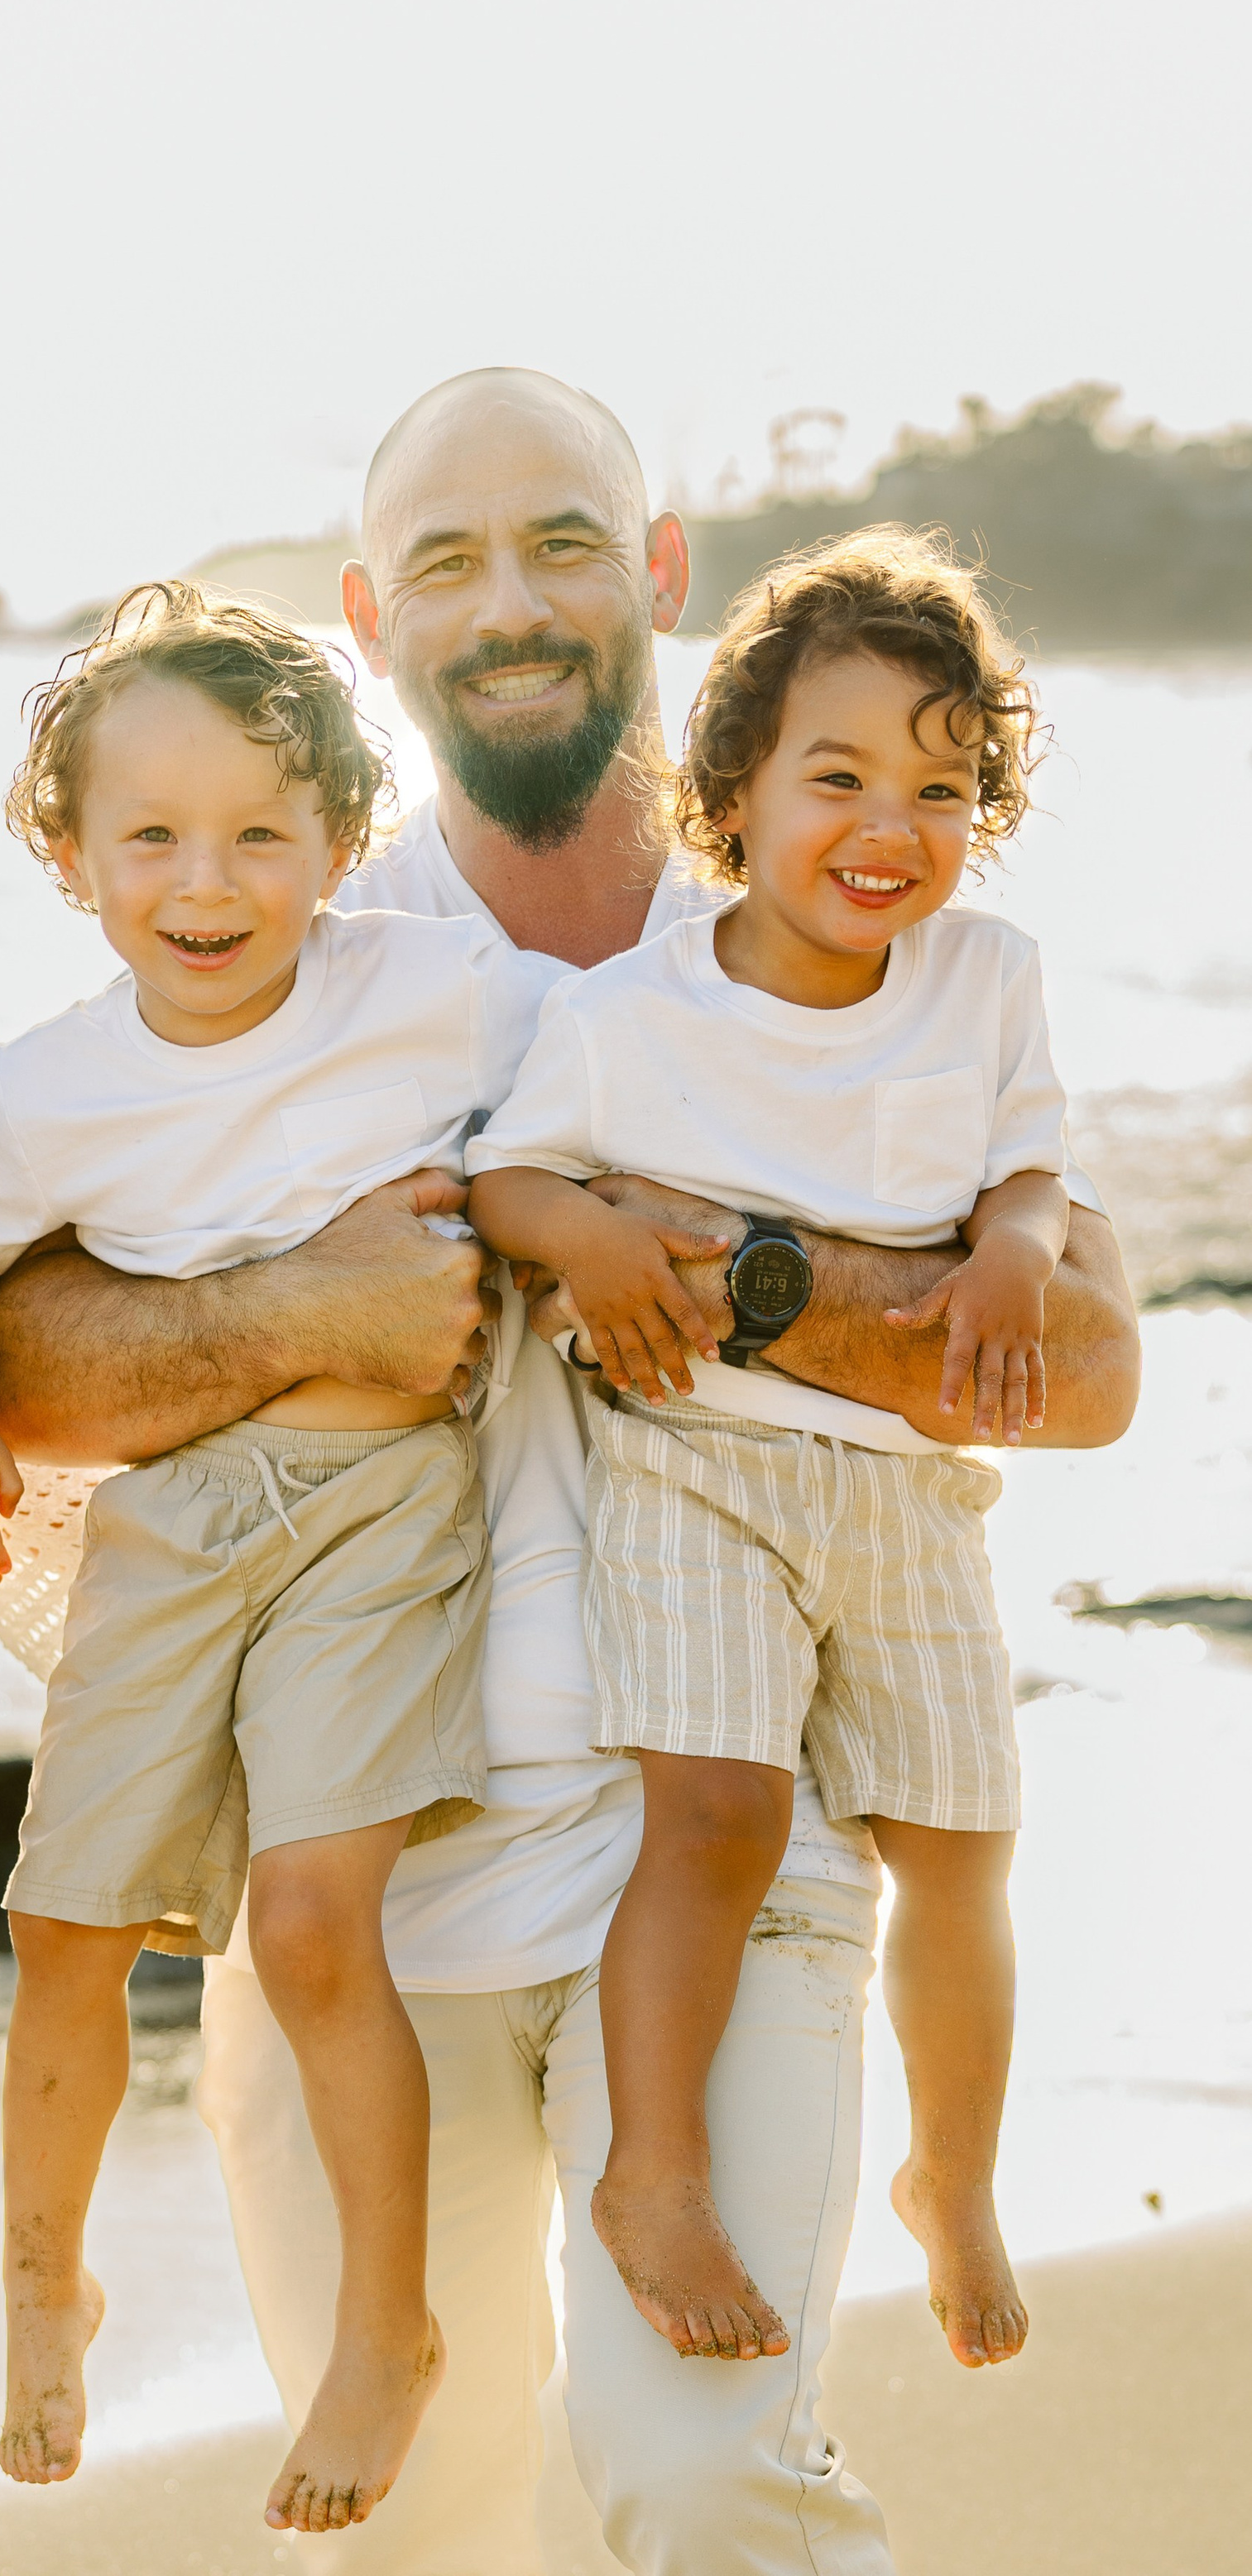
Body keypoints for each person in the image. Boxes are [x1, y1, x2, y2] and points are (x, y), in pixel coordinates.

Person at [0, 368, 1140, 2574]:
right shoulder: (282, 937)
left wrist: (747, 1278)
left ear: (665, 573)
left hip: (725, 1855)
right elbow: (25, 1351)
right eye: (445, 561)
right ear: (367, 621)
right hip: (350, 1903)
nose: (508, 604)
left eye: (566, 543)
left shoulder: (855, 937)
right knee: (405, 2538)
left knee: (713, 2484)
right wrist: (302, 1312)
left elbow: (1084, 1367)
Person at [0, 586, 539, 2534]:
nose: (207, 880)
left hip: (381, 1514)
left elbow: (614, 1079)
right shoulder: (46, 1085)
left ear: (344, 844)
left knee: (316, 1923)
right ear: (69, 852)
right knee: (64, 1916)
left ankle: (385, 2324)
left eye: (261, 830)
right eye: (151, 836)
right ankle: (42, 2278)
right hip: (173, 1524)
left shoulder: (433, 985)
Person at [469, 532, 1063, 2379]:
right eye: (837, 775)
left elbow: (1032, 1162)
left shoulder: (980, 977)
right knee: (711, 1817)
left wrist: (1018, 1249)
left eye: (940, 785)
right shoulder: (631, 1011)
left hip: (904, 1488)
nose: (889, 821)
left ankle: (949, 2177)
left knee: (956, 1841)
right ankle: (653, 2167)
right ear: (729, 791)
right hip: (699, 1465)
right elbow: (507, 1177)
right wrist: (576, 1240)